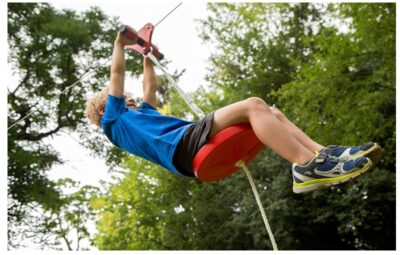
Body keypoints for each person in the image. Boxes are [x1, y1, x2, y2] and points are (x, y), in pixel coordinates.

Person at [85, 31, 382, 194]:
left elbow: (148, 87)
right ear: (104, 107)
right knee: (253, 104)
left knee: (271, 112)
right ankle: (305, 166)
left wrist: (146, 53)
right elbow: (117, 73)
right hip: (181, 147)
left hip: (185, 144)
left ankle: (325, 156)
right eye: (122, 95)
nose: (129, 95)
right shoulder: (114, 120)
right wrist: (119, 43)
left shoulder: (140, 114)